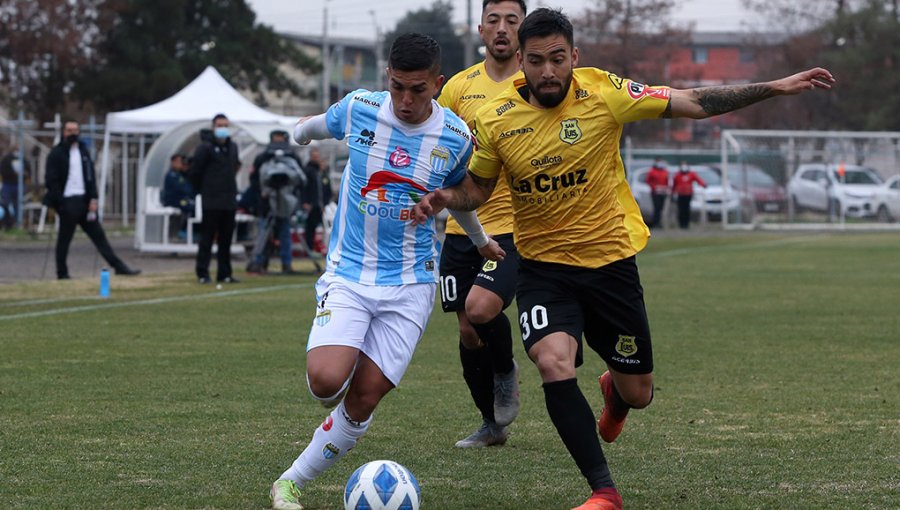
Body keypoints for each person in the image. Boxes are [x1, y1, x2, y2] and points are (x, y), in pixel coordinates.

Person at [412, 8, 834, 509]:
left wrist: (775, 86)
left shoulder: (605, 93)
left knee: (639, 393)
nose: (548, 72)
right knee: (552, 361)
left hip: (611, 264)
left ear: (575, 57)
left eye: (558, 59)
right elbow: (479, 187)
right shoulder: (494, 116)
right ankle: (603, 492)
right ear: (519, 62)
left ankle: (617, 391)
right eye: (536, 61)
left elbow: (693, 101)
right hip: (544, 268)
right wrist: (447, 198)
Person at [268, 33, 505, 510]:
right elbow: (314, 125)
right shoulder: (360, 107)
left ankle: (288, 483)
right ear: (387, 80)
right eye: (398, 87)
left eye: (418, 89)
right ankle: (344, 353)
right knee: (325, 382)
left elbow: (456, 198)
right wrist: (296, 135)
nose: (406, 100)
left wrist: (480, 242)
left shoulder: (456, 137)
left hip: (412, 281)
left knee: (366, 395)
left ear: (437, 84)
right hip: (350, 275)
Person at [436, 0, 526, 449]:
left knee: (481, 308)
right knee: (468, 332)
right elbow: (434, 143)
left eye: (512, 20)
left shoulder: (536, 83)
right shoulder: (457, 87)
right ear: (480, 28)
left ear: (523, 28)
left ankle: (507, 371)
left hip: (513, 226)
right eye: (494, 20)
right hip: (460, 226)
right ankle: (491, 424)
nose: (503, 28)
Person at [43, 120, 141, 280]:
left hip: (84, 201)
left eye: (75, 130)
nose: (72, 134)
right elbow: (51, 180)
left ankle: (118, 266)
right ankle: (62, 272)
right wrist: (60, 202)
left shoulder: (83, 151)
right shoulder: (56, 153)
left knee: (99, 236)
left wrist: (93, 198)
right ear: (64, 132)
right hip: (67, 202)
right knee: (64, 239)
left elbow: (90, 177)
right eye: (69, 130)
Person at [189, 113, 241, 284]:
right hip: (211, 200)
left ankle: (224, 273)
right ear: (213, 127)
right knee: (207, 238)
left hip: (228, 200)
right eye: (219, 125)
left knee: (226, 240)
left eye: (225, 125)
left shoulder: (232, 146)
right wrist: (203, 190)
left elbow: (234, 167)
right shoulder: (204, 148)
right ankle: (203, 273)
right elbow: (196, 171)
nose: (223, 129)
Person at [247, 130, 305, 274]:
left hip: (285, 202)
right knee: (264, 234)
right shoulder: (262, 158)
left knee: (285, 234)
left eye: (280, 139)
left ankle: (286, 263)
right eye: (275, 139)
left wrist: (292, 195)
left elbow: (299, 179)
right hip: (267, 203)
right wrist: (262, 193)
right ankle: (259, 262)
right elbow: (255, 179)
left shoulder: (292, 158)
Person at [299, 147, 332, 256]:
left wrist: (325, 202)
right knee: (310, 227)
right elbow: (304, 188)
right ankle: (309, 249)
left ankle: (325, 248)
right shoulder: (307, 170)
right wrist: (305, 202)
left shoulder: (322, 172)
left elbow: (326, 188)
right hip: (312, 204)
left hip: (321, 205)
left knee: (326, 228)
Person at [161, 153, 194, 239]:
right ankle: (184, 232)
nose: (181, 164)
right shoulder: (171, 175)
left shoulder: (179, 175)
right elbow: (182, 188)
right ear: (173, 162)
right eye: (179, 162)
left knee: (194, 206)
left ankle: (186, 232)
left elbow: (188, 187)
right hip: (173, 201)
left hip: (180, 200)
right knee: (192, 207)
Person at [671, 161, 706, 229]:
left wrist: (703, 184)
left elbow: (698, 180)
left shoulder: (691, 174)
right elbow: (674, 185)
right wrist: (672, 193)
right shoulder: (677, 175)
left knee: (687, 209)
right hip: (680, 194)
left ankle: (686, 224)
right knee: (681, 209)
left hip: (688, 194)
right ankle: (681, 224)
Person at [1, 149, 28, 230]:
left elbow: (28, 170)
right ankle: (7, 224)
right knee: (5, 204)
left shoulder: (23, 159)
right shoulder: (6, 159)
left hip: (18, 185)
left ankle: (17, 223)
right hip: (8, 185)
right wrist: (13, 173)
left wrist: (24, 173)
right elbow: (3, 171)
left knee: (18, 205)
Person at [645, 158, 669, 229]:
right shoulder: (652, 171)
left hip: (663, 192)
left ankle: (659, 222)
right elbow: (648, 180)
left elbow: (667, 181)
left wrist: (666, 189)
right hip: (655, 192)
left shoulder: (665, 171)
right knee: (656, 208)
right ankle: (655, 222)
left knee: (661, 208)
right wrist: (654, 187)